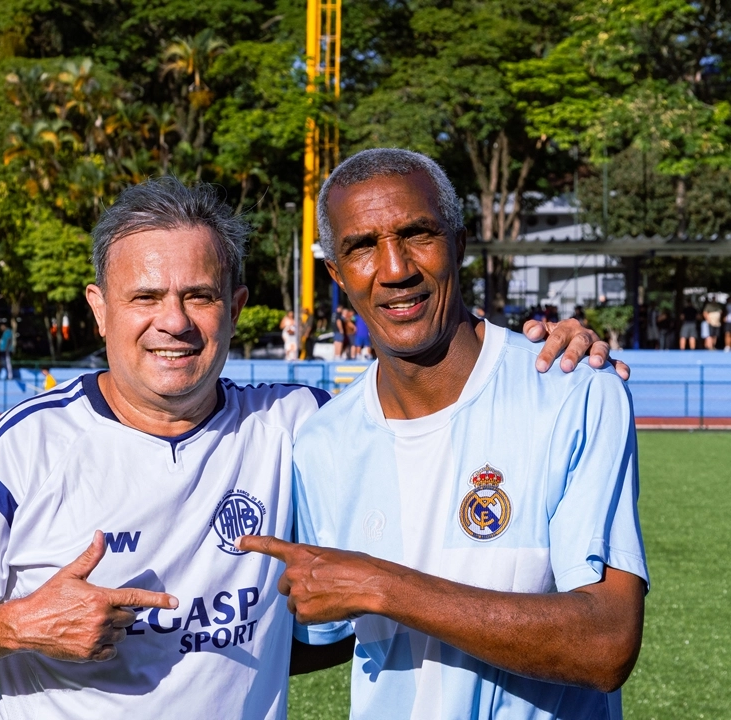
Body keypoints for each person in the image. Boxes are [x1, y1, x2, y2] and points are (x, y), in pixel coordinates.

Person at [0, 177, 623, 719]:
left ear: (234, 308)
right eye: (144, 298)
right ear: (99, 309)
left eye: (198, 296)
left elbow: (424, 376)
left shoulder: (301, 425)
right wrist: (21, 623)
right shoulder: (28, 443)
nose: (173, 322)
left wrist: (540, 340)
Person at [240, 149, 647, 720]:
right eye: (361, 247)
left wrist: (382, 585)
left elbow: (606, 644)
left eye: (417, 234)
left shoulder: (573, 394)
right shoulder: (323, 441)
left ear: (459, 243)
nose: (395, 267)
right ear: (336, 274)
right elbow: (318, 634)